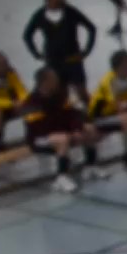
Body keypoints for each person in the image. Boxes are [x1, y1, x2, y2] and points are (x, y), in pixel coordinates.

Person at [21, 65, 102, 193]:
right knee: (62, 139)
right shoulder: (31, 103)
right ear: (45, 82)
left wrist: (76, 129)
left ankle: (90, 166)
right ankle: (61, 177)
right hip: (38, 139)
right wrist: (68, 132)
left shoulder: (61, 95)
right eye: (54, 79)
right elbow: (40, 128)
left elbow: (75, 114)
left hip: (61, 132)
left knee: (89, 128)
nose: (57, 80)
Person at [22, 0, 98, 101]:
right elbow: (27, 35)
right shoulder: (40, 15)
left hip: (73, 60)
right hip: (53, 62)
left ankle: (92, 111)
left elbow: (91, 28)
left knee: (82, 94)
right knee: (59, 95)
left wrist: (86, 50)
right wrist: (36, 53)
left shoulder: (71, 12)